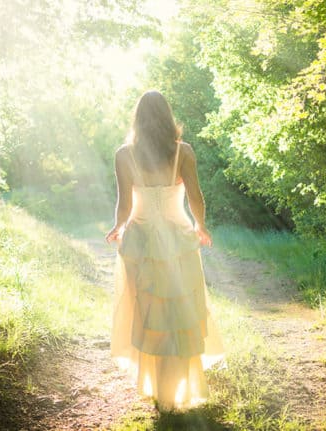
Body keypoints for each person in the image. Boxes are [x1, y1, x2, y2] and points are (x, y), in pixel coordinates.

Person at [105, 90, 224, 411]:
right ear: (168, 117)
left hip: (140, 241)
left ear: (138, 119)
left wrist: (118, 227)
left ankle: (160, 390)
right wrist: (201, 225)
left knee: (148, 315)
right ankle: (176, 390)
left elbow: (125, 204)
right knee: (180, 315)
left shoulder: (123, 154)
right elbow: (196, 197)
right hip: (178, 240)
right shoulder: (183, 152)